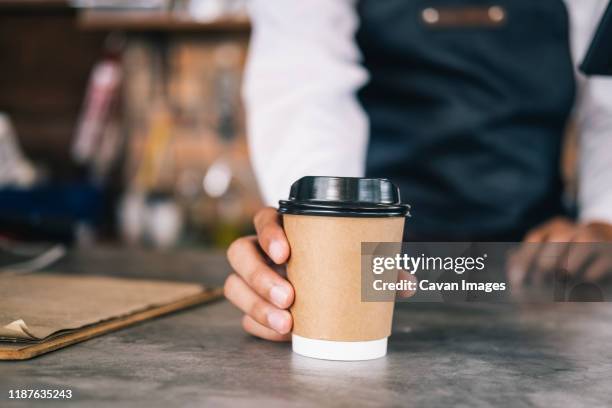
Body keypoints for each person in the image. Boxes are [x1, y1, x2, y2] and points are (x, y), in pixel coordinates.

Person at [224, 0, 612, 341]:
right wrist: (316, 243)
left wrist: (604, 221)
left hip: (538, 269)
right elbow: (302, 83)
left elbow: (607, 104)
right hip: (380, 271)